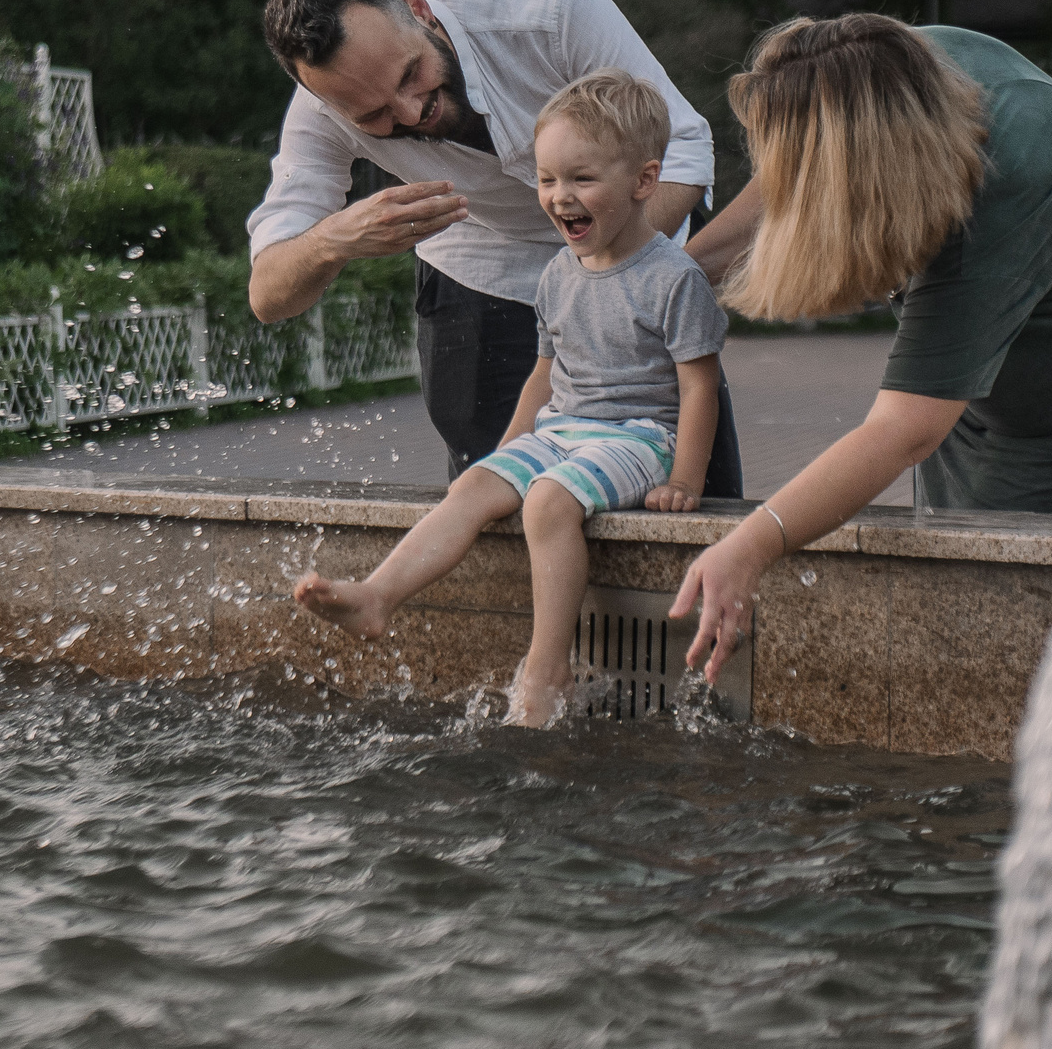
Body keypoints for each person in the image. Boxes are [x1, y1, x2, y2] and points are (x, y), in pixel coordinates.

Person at [668, 16, 1052, 678]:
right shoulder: (893, 71)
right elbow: (797, 163)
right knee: (953, 550)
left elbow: (904, 430)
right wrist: (673, 277)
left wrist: (751, 546)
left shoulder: (1008, 185)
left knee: (1013, 592)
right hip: (1009, 275)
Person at [293, 72, 728, 725]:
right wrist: (507, 455)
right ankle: (377, 596)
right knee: (473, 485)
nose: (559, 196)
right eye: (547, 179)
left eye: (582, 178)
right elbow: (542, 375)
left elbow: (699, 385)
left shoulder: (673, 277)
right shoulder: (558, 273)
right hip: (563, 428)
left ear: (644, 181)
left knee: (549, 501)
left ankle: (546, 667)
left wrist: (684, 479)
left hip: (639, 435)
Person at [247, 0, 745, 496]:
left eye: (411, 74)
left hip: (629, 249)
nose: (412, 111)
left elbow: (681, 149)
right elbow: (268, 294)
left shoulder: (543, 0)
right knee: (493, 500)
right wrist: (330, 240)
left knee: (690, 492)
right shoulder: (320, 114)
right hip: (478, 260)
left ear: (419, 10)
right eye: (375, 115)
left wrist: (613, 277)